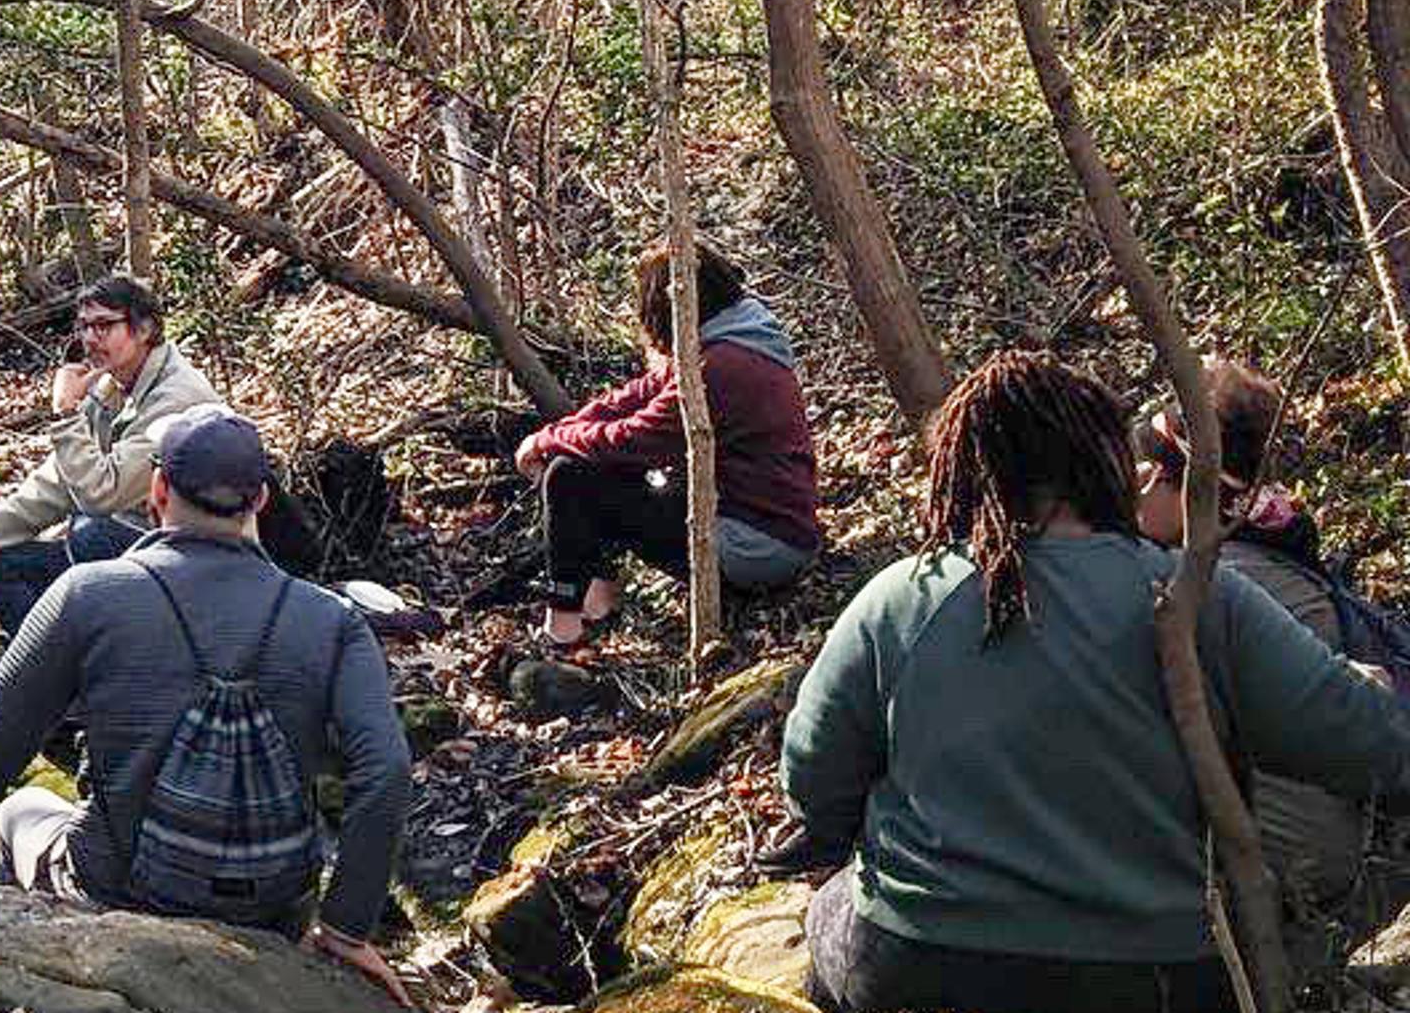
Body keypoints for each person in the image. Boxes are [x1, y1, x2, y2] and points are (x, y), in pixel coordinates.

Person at [780, 351, 1410, 1013]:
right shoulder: (1195, 593)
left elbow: (814, 780)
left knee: (831, 910)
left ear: (962, 472)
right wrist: (1364, 685)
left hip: (921, 960)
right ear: (1105, 462)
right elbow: (1370, 741)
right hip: (1154, 976)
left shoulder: (899, 598)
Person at [0, 408, 410, 999]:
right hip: (274, 912)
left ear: (157, 489)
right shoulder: (334, 619)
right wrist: (345, 927)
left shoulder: (89, 593)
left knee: (23, 807)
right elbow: (385, 771)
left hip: (118, 886)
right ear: (260, 499)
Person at [1135, 358, 1410, 972]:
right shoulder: (1267, 543)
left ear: (1186, 479)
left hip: (1304, 871)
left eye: (1150, 468)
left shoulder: (1214, 583)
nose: (1135, 484)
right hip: (1341, 843)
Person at [0, 272, 322, 635]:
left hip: (212, 574)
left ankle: (109, 670)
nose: (90, 340)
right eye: (83, 327)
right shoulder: (111, 384)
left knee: (91, 533)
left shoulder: (177, 397)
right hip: (150, 560)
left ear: (144, 330)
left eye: (103, 326)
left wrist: (65, 414)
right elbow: (60, 479)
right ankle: (46, 674)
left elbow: (101, 494)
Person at [512, 243, 821, 647]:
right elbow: (640, 392)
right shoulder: (737, 336)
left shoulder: (717, 369)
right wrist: (568, 427)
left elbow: (633, 440)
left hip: (758, 546)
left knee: (572, 475)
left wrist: (550, 440)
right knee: (589, 463)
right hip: (765, 525)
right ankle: (598, 600)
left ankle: (564, 625)